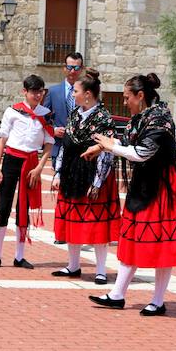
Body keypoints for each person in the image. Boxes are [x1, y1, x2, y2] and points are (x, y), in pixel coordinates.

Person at [87, 73, 176, 316]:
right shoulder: (139, 118)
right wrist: (100, 147)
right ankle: (117, 294)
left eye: (127, 98)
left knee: (162, 243)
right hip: (143, 185)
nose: (125, 102)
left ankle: (158, 300)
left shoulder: (160, 118)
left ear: (140, 95)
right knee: (132, 237)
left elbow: (141, 153)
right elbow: (125, 141)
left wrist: (111, 146)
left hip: (162, 188)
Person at [49, 69, 120, 283]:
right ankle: (73, 265)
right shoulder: (74, 115)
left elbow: (106, 153)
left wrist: (97, 182)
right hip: (71, 172)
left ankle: (100, 270)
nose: (73, 95)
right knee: (72, 220)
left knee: (95, 222)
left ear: (88, 94)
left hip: (93, 175)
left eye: (76, 91)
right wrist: (58, 173)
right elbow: (65, 146)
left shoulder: (103, 118)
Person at [0, 75, 55, 270]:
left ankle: (19, 255)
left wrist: (40, 167)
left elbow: (49, 143)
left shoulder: (46, 113)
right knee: (4, 206)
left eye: (41, 91)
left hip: (32, 162)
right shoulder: (13, 111)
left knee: (23, 208)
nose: (38, 95)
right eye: (34, 91)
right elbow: (2, 140)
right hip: (11, 160)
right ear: (24, 91)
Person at [43, 52, 84, 163]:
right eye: (69, 67)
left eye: (76, 67)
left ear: (81, 69)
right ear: (64, 68)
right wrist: (53, 130)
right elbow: (43, 118)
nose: (72, 71)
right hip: (58, 146)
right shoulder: (53, 91)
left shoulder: (87, 93)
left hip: (81, 149)